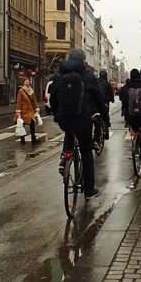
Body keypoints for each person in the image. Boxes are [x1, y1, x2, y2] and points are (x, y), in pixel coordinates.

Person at [50, 49, 107, 199]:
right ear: (83, 60)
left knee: (69, 131)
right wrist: (104, 118)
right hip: (83, 120)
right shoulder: (88, 76)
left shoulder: (60, 75)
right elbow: (99, 99)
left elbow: (53, 98)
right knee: (86, 152)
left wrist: (57, 114)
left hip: (65, 119)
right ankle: (89, 190)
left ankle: (65, 157)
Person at [15, 78, 40, 144]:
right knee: (22, 124)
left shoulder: (31, 90)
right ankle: (22, 138)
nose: (27, 83)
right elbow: (19, 101)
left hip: (30, 110)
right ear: (24, 83)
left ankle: (33, 138)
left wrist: (36, 108)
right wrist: (18, 111)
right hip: (24, 110)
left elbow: (34, 100)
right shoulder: (21, 91)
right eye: (26, 82)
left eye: (28, 82)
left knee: (32, 123)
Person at [97, 69, 114, 140]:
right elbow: (111, 93)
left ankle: (97, 135)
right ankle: (106, 132)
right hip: (105, 103)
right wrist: (112, 99)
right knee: (105, 116)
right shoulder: (107, 84)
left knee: (97, 119)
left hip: (97, 103)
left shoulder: (96, 82)